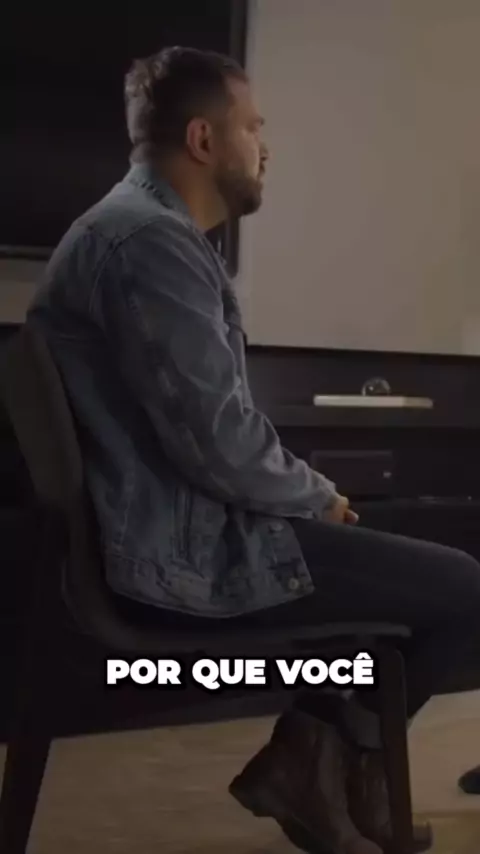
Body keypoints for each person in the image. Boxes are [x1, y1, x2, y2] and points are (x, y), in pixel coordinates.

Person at [27, 46, 480, 854]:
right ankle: (313, 760)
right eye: (253, 127)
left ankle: (333, 775)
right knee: (462, 588)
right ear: (204, 140)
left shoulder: (132, 232)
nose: (264, 148)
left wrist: (309, 500)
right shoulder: (148, 244)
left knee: (392, 581)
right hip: (177, 558)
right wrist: (318, 497)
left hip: (162, 537)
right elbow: (220, 442)